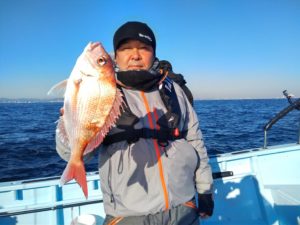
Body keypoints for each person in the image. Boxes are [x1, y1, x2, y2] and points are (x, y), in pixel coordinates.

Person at [58, 21, 214, 225]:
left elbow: (195, 140)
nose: (135, 55)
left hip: (184, 206)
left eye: (144, 48)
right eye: (125, 49)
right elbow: (71, 154)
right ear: (115, 55)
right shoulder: (103, 90)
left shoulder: (174, 90)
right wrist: (69, 121)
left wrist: (205, 190)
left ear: (153, 53)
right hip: (128, 214)